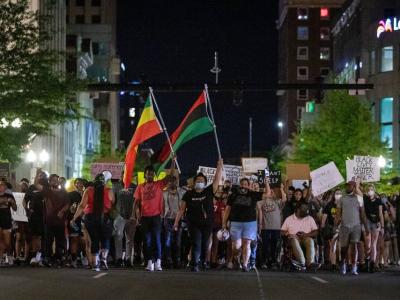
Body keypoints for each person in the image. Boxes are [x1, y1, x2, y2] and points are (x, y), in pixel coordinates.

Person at [174, 159, 223, 272]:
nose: (199, 182)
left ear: (205, 183)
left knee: (205, 244)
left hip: (207, 224)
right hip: (193, 223)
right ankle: (194, 263)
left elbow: (216, 179)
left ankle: (203, 261)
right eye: (198, 180)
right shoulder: (188, 194)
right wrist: (176, 222)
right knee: (196, 242)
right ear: (194, 182)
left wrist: (219, 166)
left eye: (202, 180)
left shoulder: (209, 191)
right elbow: (182, 209)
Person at [132, 163, 177, 272]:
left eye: (152, 174)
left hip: (156, 217)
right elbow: (136, 202)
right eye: (148, 174)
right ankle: (149, 262)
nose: (150, 176)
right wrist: (135, 215)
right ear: (145, 175)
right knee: (146, 241)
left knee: (156, 239)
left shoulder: (159, 184)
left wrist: (173, 162)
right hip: (144, 217)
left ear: (154, 176)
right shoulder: (140, 187)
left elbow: (170, 176)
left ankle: (158, 261)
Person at [222, 176, 268, 272]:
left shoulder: (253, 194)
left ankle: (245, 264)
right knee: (236, 246)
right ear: (239, 185)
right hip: (235, 223)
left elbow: (267, 194)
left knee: (247, 243)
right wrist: (224, 223)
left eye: (246, 184)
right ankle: (237, 258)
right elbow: (227, 210)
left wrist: (266, 182)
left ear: (248, 185)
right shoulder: (233, 195)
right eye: (242, 184)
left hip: (250, 223)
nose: (244, 186)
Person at [71, 173, 115, 272]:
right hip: (105, 218)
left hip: (90, 218)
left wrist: (74, 218)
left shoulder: (88, 190)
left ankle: (95, 264)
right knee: (105, 239)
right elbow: (112, 203)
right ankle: (103, 258)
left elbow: (82, 206)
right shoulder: (109, 190)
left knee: (94, 240)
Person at [335, 180, 369, 275]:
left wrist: (366, 227)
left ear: (354, 187)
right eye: (347, 186)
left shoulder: (359, 198)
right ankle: (343, 264)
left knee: (354, 246)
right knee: (344, 248)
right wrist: (335, 226)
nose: (347, 187)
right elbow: (338, 214)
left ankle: (354, 266)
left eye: (349, 186)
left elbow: (362, 214)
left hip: (356, 226)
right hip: (344, 226)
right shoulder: (341, 199)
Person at [281, 201, 318, 269]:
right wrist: (289, 234)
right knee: (294, 240)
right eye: (304, 211)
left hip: (306, 238)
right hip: (293, 239)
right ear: (298, 210)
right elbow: (282, 231)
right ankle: (302, 262)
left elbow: (315, 231)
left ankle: (310, 263)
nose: (306, 213)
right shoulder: (289, 219)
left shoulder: (309, 218)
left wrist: (307, 234)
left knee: (310, 240)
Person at [258, 182, 287, 269]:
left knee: (275, 246)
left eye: (272, 192)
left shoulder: (277, 202)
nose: (271, 193)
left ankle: (273, 261)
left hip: (276, 228)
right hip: (265, 228)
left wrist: (281, 189)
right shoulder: (261, 203)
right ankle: (264, 261)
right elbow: (259, 213)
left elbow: (284, 199)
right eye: (270, 192)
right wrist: (267, 182)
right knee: (265, 245)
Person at [44, 174, 70, 267]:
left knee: (60, 240)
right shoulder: (47, 191)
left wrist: (62, 211)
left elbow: (67, 204)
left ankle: (59, 257)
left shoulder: (64, 192)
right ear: (49, 181)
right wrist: (38, 174)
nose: (55, 181)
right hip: (49, 220)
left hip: (60, 221)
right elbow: (37, 186)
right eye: (53, 180)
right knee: (48, 240)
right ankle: (48, 257)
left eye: (57, 179)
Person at [23, 170, 47, 266]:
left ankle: (40, 256)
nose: (40, 177)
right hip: (33, 215)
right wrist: (27, 210)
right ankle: (33, 256)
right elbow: (25, 200)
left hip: (44, 215)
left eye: (42, 175)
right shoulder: (32, 188)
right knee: (34, 236)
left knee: (43, 237)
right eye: (38, 175)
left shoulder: (47, 188)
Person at [114, 176, 137, 268]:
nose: (126, 177)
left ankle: (128, 259)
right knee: (118, 237)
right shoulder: (116, 186)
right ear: (121, 176)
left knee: (130, 239)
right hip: (119, 216)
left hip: (131, 216)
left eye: (128, 174)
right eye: (124, 175)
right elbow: (112, 200)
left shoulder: (134, 187)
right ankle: (119, 258)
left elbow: (137, 200)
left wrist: (135, 215)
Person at [163, 175, 185, 268]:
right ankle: (168, 260)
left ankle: (177, 260)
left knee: (177, 241)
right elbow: (162, 206)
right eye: (171, 181)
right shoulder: (164, 193)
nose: (173, 183)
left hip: (179, 219)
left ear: (177, 182)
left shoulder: (182, 192)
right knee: (167, 241)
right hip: (168, 219)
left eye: (174, 181)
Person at [363, 185, 384, 272]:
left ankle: (372, 265)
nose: (370, 191)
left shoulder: (379, 200)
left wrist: (382, 226)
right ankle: (367, 260)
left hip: (376, 223)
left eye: (371, 189)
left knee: (373, 245)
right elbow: (363, 213)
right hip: (367, 222)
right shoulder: (365, 199)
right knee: (368, 245)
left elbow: (381, 213)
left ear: (374, 191)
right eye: (368, 189)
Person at [321, 189, 341, 270]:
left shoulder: (344, 204)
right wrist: (322, 227)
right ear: (334, 195)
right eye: (337, 193)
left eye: (340, 193)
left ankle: (340, 262)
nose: (338, 194)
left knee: (340, 247)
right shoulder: (329, 205)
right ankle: (333, 264)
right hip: (331, 228)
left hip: (342, 228)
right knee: (333, 246)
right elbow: (324, 217)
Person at [67, 178, 85, 268]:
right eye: (78, 183)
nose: (80, 185)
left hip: (86, 221)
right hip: (75, 220)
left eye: (82, 183)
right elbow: (69, 208)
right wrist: (72, 209)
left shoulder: (87, 193)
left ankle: (83, 256)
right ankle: (73, 259)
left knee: (83, 240)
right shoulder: (71, 195)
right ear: (75, 185)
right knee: (74, 239)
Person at [0, 181, 17, 265]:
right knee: (0, 241)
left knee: (7, 242)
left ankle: (10, 256)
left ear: (5, 187)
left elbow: (15, 208)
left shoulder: (9, 196)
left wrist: (13, 202)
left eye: (2, 185)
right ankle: (1, 258)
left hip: (6, 220)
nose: (0, 186)